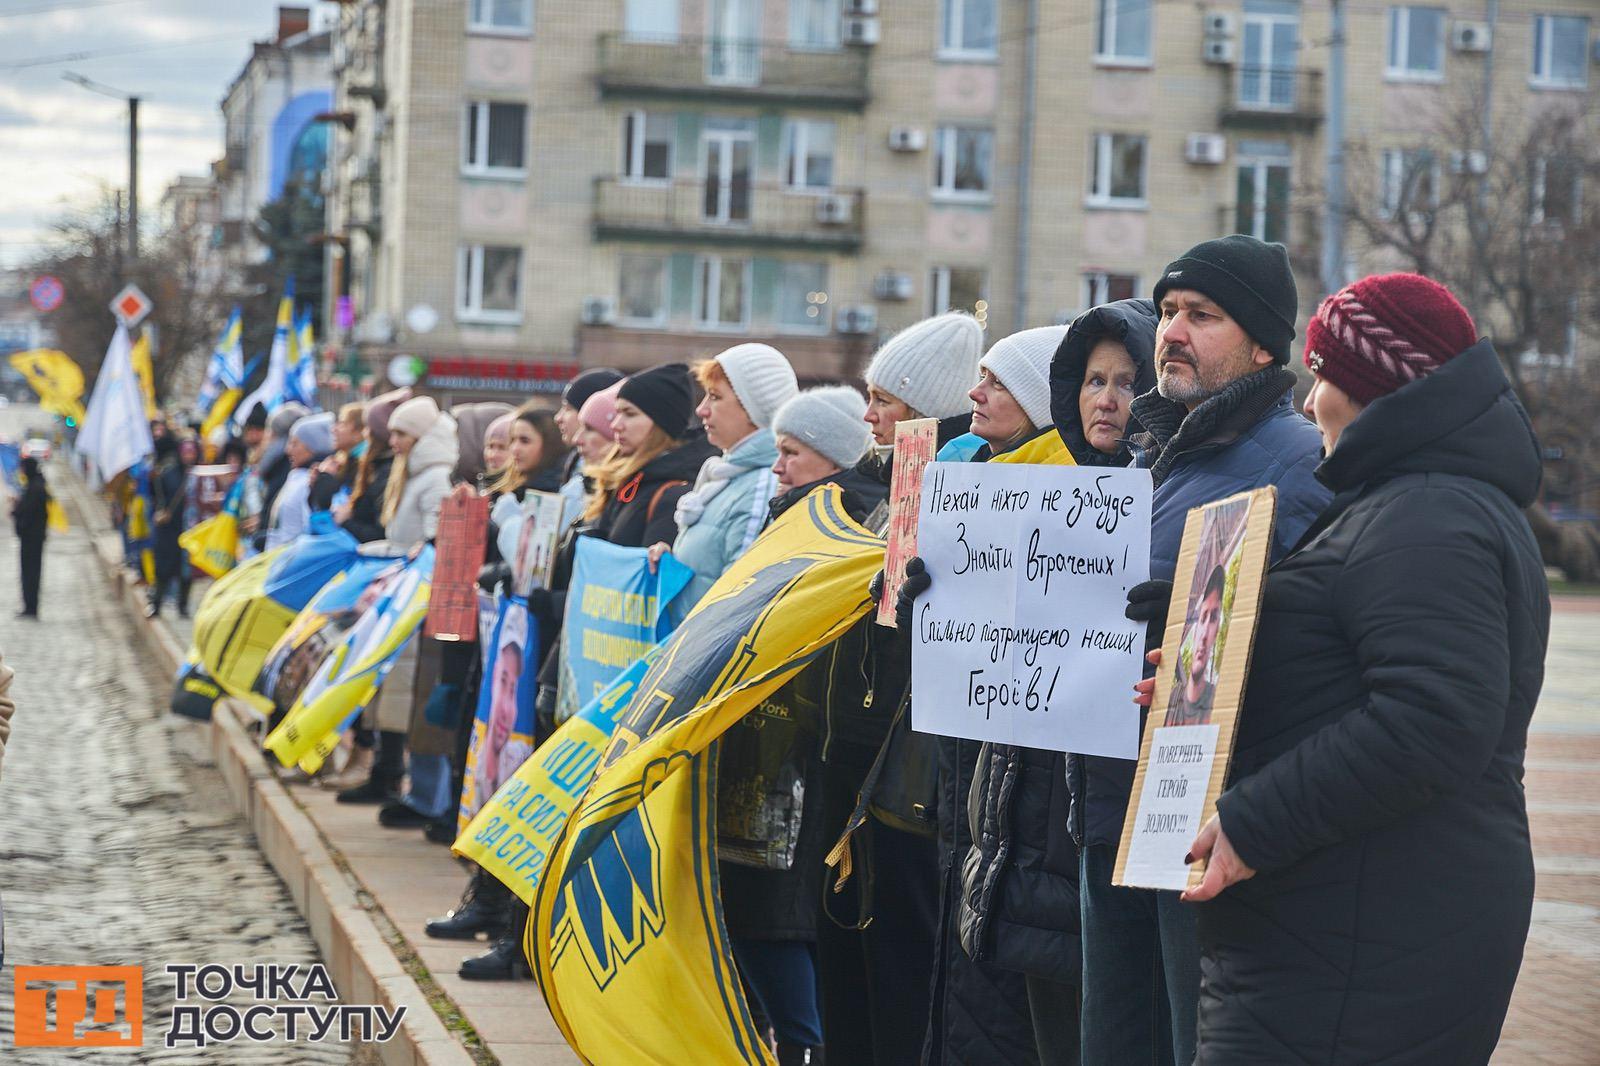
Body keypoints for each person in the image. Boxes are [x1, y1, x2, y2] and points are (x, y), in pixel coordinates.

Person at [1135, 273, 1547, 1065]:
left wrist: (1255, 823)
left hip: (1369, 934)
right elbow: (1361, 681)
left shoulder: (1429, 513)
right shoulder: (1403, 501)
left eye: (1324, 376)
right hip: (1349, 922)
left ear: (1372, 387)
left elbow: (1433, 720)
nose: (1311, 397)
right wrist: (1221, 690)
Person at [1074, 235, 1330, 1066]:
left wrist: (1201, 627)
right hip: (1108, 811)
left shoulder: (1300, 464)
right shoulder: (1151, 453)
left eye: (1203, 316)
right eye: (1170, 312)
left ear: (1263, 345)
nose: (1172, 332)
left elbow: (1313, 644)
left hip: (1199, 823)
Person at [962, 304, 1158, 1066]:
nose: (1106, 399)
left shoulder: (1167, 496)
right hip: (1030, 827)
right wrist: (934, 604)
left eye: (1126, 382)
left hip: (1103, 827)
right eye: (1093, 381)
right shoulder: (1032, 490)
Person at [818, 312, 984, 1066]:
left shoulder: (966, 488)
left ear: (926, 412)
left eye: (885, 401)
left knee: (901, 958)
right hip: (859, 750)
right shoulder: (873, 489)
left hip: (913, 767)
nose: (869, 416)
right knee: (847, 952)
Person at [918, 326, 1073, 1066]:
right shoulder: (971, 478)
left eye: (999, 383)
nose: (975, 395)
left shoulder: (1082, 496)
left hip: (1026, 817)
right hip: (966, 791)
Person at [714, 385, 872, 1066]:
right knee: (752, 912)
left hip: (799, 748)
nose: (777, 467)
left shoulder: (850, 522)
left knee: (776, 918)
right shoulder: (796, 513)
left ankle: (804, 1046)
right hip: (764, 739)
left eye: (792, 452)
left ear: (832, 458)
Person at [338, 396, 458, 807]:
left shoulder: (435, 476)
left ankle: (393, 774)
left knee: (401, 690)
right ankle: (384, 770)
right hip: (396, 589)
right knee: (388, 688)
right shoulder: (413, 472)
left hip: (413, 595)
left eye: (401, 433)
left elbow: (433, 537)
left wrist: (406, 558)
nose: (393, 441)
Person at [645, 343, 798, 608]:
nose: (701, 409)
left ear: (755, 409)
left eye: (715, 397)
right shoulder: (728, 475)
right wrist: (671, 563)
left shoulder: (763, 486)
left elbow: (735, 605)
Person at [587, 364, 716, 549]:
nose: (616, 425)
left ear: (661, 423)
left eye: (629, 414)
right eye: (618, 413)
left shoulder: (673, 492)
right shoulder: (635, 479)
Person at [1164, 565, 1224, 728]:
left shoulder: (1220, 703)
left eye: (1213, 619)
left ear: (1217, 630)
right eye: (1203, 618)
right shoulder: (1168, 700)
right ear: (1195, 628)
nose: (1205, 635)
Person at [266, 413, 334, 549]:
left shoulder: (310, 480)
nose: (287, 449)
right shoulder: (296, 475)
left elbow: (308, 528)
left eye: (294, 443)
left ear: (313, 447)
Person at [148, 433, 194, 618]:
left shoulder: (198, 474)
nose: (189, 455)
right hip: (169, 530)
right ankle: (156, 603)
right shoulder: (167, 473)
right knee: (163, 569)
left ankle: (182, 607)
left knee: (186, 570)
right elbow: (158, 497)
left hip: (189, 529)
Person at [11, 456, 50, 619]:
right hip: (32, 538)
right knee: (29, 573)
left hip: (32, 539)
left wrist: (16, 509)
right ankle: (29, 605)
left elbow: (29, 513)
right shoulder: (35, 485)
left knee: (31, 573)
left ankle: (31, 607)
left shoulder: (35, 487)